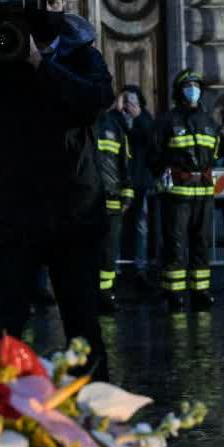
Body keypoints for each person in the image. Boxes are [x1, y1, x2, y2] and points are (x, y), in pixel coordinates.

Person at [0, 0, 115, 381]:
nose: (43, 10)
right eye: (33, 2)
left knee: (83, 324)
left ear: (64, 8)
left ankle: (96, 418)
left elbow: (95, 101)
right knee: (5, 326)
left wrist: (40, 65)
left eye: (52, 2)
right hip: (14, 213)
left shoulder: (81, 54)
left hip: (73, 212)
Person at [153, 69, 218, 310]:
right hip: (178, 193)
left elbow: (215, 154)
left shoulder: (208, 121)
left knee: (201, 243)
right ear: (179, 91)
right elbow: (155, 155)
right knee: (176, 243)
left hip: (203, 192)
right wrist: (167, 174)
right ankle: (175, 292)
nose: (193, 89)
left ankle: (200, 289)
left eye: (196, 85)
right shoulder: (167, 121)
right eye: (188, 85)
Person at [94, 98, 133, 313]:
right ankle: (89, 295)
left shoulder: (115, 127)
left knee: (109, 251)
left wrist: (127, 195)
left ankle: (105, 294)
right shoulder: (79, 123)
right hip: (86, 201)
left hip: (111, 200)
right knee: (87, 250)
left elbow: (124, 164)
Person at [117, 85, 158, 290]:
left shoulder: (146, 119)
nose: (129, 105)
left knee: (141, 228)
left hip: (141, 182)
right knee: (117, 227)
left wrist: (139, 116)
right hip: (120, 183)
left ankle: (141, 269)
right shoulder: (115, 118)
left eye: (133, 101)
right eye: (126, 101)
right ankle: (115, 268)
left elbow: (152, 139)